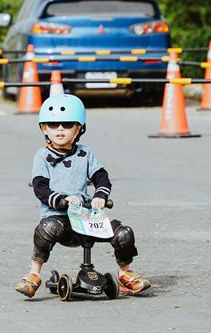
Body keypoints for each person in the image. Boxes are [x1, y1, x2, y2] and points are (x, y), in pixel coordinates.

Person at [14, 94, 150, 298]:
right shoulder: (42, 157)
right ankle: (34, 274)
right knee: (47, 228)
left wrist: (100, 196)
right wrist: (62, 200)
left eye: (67, 124)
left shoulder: (85, 153)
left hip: (86, 218)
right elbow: (40, 187)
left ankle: (125, 273)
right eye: (53, 124)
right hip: (61, 221)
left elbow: (101, 176)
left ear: (79, 128)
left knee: (123, 233)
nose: (60, 129)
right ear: (44, 128)